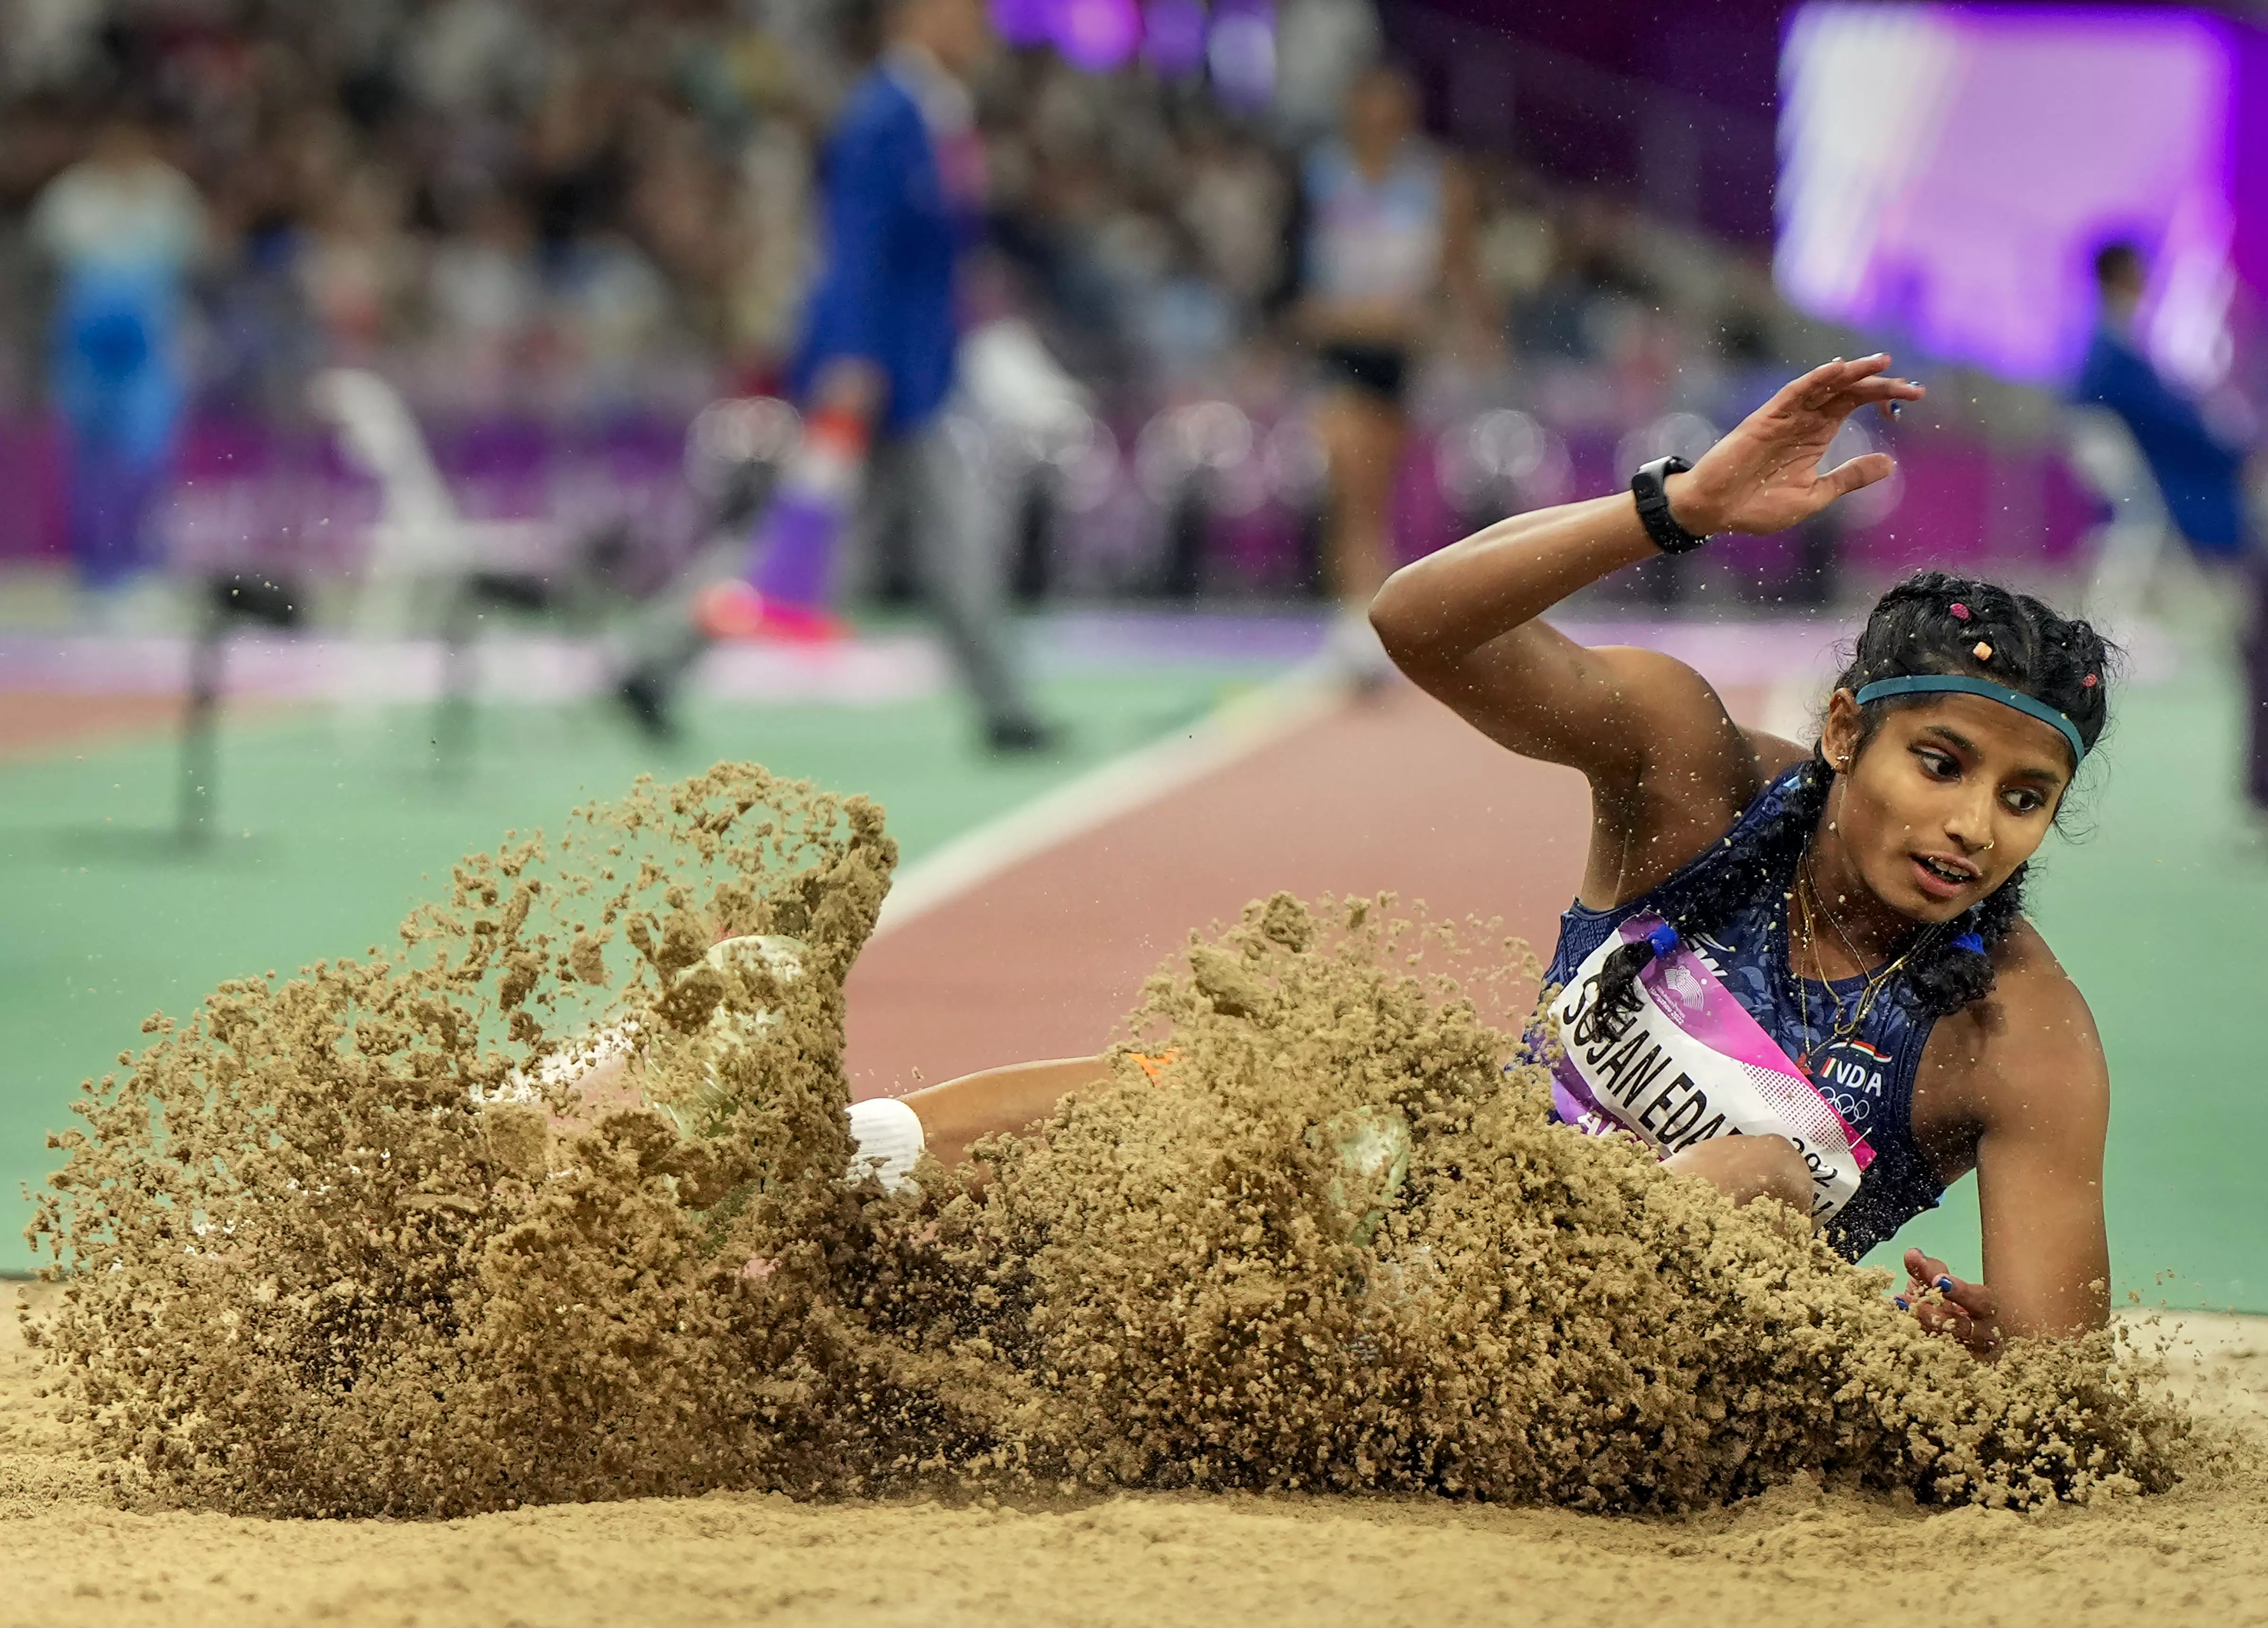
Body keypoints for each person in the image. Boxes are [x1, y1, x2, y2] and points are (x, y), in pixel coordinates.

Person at [864, 357, 2116, 1359]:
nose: (1973, 825)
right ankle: (835, 1166)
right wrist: (1674, 508)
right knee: (1281, 1071)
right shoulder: (1695, 777)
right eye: (1940, 763)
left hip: (1618, 1379)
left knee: (1755, 1174)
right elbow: (1421, 622)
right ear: (1846, 729)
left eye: (2024, 797)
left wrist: (1971, 1351)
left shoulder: (2018, 1035)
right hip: (1422, 1227)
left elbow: (2064, 1401)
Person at [617, 0, 1051, 753]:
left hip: (918, 368)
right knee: (814, 540)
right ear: (919, 16)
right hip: (876, 373)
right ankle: (654, 657)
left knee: (934, 539)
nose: (982, 25)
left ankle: (655, 660)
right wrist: (853, 361)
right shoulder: (883, 116)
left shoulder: (939, 113)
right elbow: (854, 249)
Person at [1292, 60, 1484, 683]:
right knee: (1351, 482)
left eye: (1392, 108)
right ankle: (1355, 622)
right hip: (1338, 350)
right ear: (1353, 109)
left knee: (1374, 493)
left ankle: (1365, 617)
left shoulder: (1436, 182)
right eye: (1368, 106)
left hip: (1401, 358)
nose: (1379, 119)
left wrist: (1476, 332)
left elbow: (1457, 272)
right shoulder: (1321, 175)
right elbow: (1293, 271)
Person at [2074, 240, 2268, 818]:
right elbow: (2174, 422)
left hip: (2176, 471)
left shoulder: (2113, 346)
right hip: (2175, 482)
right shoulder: (2113, 353)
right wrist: (2235, 447)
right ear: (2127, 275)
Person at [28, 115, 206, 618]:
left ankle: (144, 570)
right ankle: (94, 577)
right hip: (85, 354)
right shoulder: (72, 196)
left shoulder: (171, 196)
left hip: (147, 356)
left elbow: (193, 266)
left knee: (146, 466)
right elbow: (49, 270)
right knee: (88, 468)